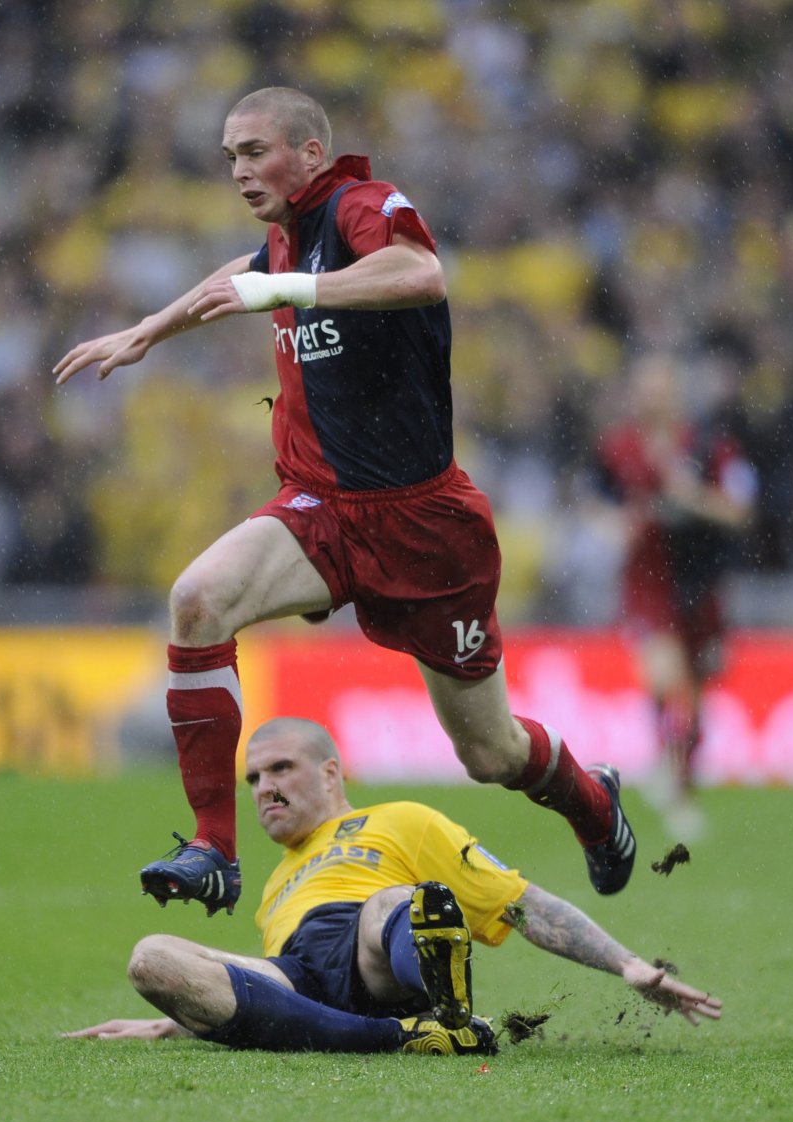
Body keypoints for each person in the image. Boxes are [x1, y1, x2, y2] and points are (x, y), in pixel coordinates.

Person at [54, 86, 635, 915]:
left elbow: (420, 271)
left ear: (312, 154)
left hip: (426, 524)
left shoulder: (365, 205)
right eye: (230, 157)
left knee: (489, 751)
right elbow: (245, 273)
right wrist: (153, 325)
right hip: (321, 508)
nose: (240, 171)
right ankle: (216, 848)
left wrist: (294, 293)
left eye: (256, 152)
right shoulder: (284, 241)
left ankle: (594, 803)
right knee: (198, 600)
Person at [64, 718, 722, 1055]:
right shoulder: (278, 882)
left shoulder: (398, 821)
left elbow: (521, 903)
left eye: (281, 769)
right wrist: (173, 1020)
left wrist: (628, 964)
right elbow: (281, 995)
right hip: (299, 973)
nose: (264, 788)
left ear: (329, 772)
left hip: (375, 954)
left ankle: (437, 990)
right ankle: (422, 1034)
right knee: (152, 955)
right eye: (254, 779)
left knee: (397, 902)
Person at [594, 353, 756, 837]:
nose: (651, 397)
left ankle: (682, 776)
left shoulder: (710, 446)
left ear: (675, 394)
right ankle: (672, 774)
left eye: (659, 387)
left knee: (700, 693)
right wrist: (611, 524)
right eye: (643, 387)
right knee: (667, 680)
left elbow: (740, 510)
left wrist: (693, 500)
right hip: (647, 583)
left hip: (700, 582)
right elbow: (594, 499)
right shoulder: (617, 448)